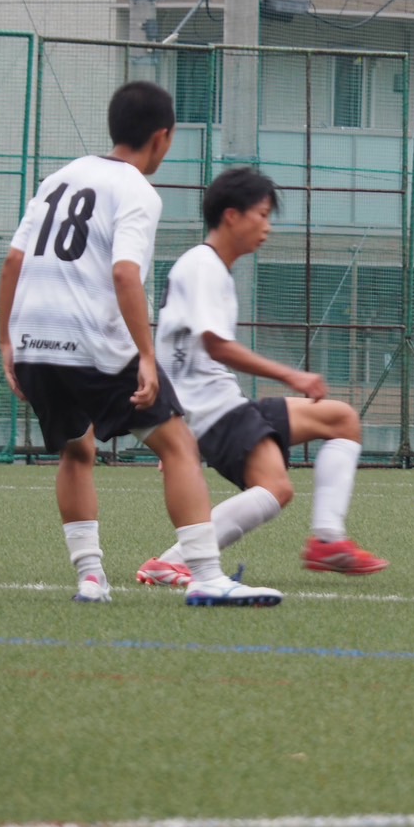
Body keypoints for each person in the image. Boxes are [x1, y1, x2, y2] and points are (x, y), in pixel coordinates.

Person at [0, 81, 282, 607]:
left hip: (35, 339)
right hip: (91, 342)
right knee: (178, 445)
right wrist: (147, 357)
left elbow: (14, 261)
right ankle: (205, 575)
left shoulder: (58, 178)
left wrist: (7, 343)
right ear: (162, 138)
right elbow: (125, 274)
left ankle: (90, 578)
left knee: (76, 449)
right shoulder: (137, 191)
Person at [135, 166, 387, 587]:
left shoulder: (211, 267)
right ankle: (174, 560)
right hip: (211, 410)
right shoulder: (203, 266)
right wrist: (292, 376)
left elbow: (177, 347)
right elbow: (216, 346)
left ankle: (327, 540)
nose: (267, 227)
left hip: (219, 405)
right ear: (232, 215)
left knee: (341, 420)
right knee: (276, 488)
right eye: (263, 215)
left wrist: (174, 431)